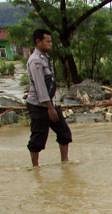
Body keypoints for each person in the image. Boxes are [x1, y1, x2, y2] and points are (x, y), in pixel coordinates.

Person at [25, 28, 72, 167]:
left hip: (51, 103)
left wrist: (53, 105)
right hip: (39, 105)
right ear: (38, 42)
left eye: (51, 41)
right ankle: (35, 168)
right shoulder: (35, 61)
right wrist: (50, 108)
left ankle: (65, 163)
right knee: (38, 138)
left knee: (64, 133)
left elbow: (49, 82)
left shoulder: (45, 58)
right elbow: (40, 87)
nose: (50, 44)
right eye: (48, 41)